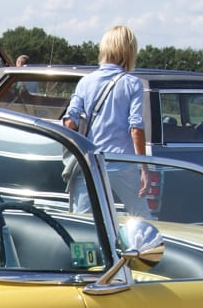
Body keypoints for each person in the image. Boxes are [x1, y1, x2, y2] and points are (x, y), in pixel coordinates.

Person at [62, 24, 146, 212]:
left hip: (92, 161)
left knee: (82, 223)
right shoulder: (133, 84)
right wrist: (144, 169)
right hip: (123, 164)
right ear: (130, 51)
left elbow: (70, 122)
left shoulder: (86, 82)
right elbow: (136, 128)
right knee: (142, 218)